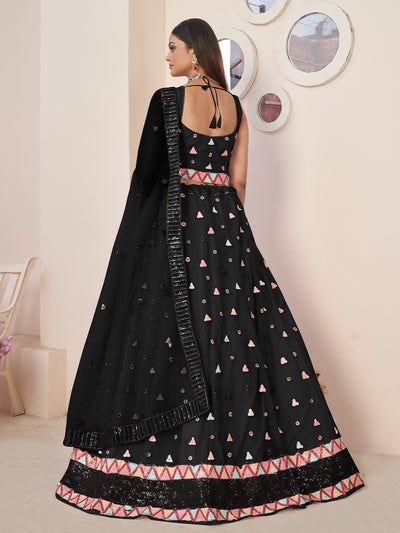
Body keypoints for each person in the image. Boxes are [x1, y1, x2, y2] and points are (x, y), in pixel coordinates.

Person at [54, 18, 365, 524]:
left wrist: (146, 244)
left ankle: (177, 461)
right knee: (236, 333)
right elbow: (238, 182)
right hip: (230, 231)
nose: (167, 57)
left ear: (195, 53)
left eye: (173, 47)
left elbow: (147, 181)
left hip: (178, 231)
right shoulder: (237, 107)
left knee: (175, 332)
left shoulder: (168, 101)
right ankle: (258, 462)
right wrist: (227, 233)